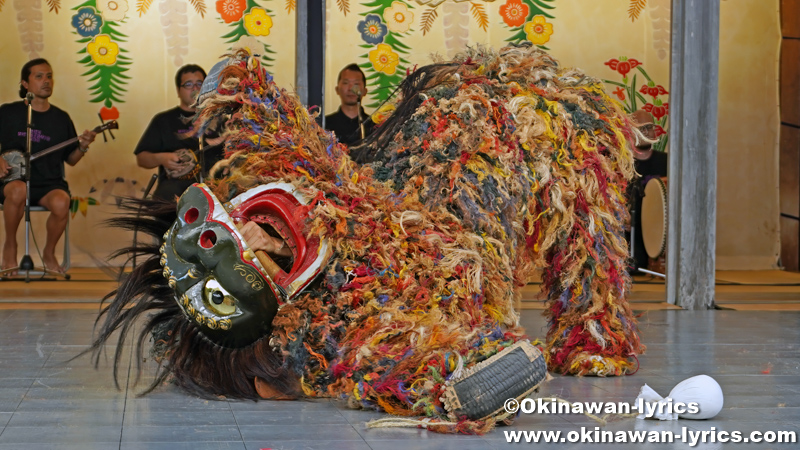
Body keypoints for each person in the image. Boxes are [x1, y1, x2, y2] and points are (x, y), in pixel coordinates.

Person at [0, 58, 97, 276]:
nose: (46, 81)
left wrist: (83, 146)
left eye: (49, 76)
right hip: (11, 181)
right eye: (39, 76)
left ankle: (49, 253)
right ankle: (10, 247)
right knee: (18, 190)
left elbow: (70, 160)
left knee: (62, 202)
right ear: (25, 83)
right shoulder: (7, 113)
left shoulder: (61, 118)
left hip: (48, 183)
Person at [134, 64, 222, 202]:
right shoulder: (163, 120)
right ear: (178, 90)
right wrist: (162, 158)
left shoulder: (220, 119)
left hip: (215, 190)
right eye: (188, 84)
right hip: (174, 193)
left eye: (200, 83)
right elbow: (141, 158)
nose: (195, 88)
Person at [324, 64, 375, 147]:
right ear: (337, 89)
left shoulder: (374, 126)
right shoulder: (325, 124)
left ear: (365, 91)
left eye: (356, 84)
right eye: (345, 83)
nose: (351, 88)